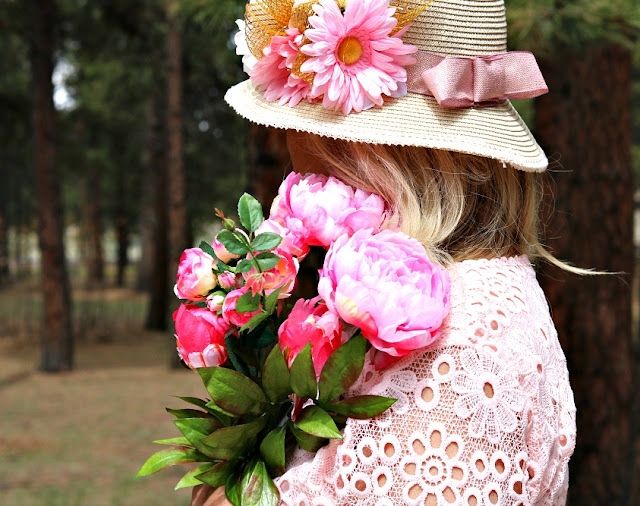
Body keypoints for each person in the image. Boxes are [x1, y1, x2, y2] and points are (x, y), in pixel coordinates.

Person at [194, 0, 579, 504]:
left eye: (314, 144)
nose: (292, 157)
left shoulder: (458, 350)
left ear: (377, 152)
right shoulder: (459, 300)